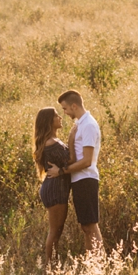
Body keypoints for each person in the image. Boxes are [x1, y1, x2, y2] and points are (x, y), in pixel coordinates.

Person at [46, 89, 103, 252]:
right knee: (86, 226)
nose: (64, 113)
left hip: (86, 179)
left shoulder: (89, 125)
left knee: (90, 226)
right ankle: (94, 265)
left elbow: (86, 161)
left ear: (74, 106)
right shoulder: (80, 125)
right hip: (79, 180)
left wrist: (61, 171)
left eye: (65, 109)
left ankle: (98, 265)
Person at [33, 106, 75, 265]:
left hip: (55, 188)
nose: (60, 118)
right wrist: (72, 137)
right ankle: (50, 267)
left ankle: (53, 265)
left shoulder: (52, 141)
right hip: (55, 189)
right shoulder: (51, 143)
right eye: (57, 116)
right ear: (49, 121)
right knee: (55, 232)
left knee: (57, 231)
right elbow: (71, 160)